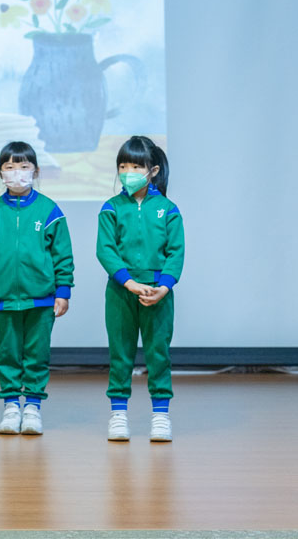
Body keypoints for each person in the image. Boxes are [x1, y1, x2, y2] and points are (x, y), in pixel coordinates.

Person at [0, 141, 74, 435]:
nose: (17, 172)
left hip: (41, 299)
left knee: (37, 354)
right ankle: (11, 406)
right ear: (0, 173)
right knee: (8, 354)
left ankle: (33, 408)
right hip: (3, 299)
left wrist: (63, 291)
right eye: (10, 167)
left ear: (36, 171)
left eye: (24, 166)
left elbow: (62, 255)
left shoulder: (49, 210)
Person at [96, 135, 184, 442]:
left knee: (158, 354)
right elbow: (105, 250)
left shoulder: (168, 209)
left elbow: (176, 252)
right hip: (121, 292)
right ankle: (118, 414)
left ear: (153, 171)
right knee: (120, 354)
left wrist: (164, 287)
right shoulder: (111, 208)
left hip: (157, 294)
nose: (128, 172)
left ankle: (161, 416)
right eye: (123, 166)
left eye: (136, 166)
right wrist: (129, 283)